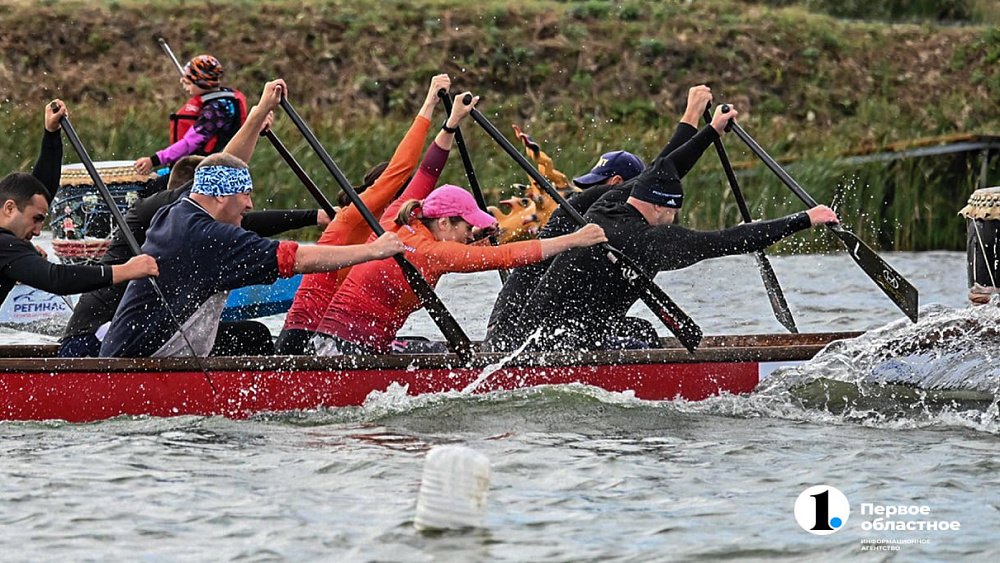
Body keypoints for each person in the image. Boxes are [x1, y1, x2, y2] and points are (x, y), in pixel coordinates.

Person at [484, 104, 840, 352]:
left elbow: (666, 164)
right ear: (660, 207)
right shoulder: (649, 241)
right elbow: (728, 240)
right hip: (550, 346)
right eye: (673, 213)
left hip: (526, 334)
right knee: (639, 334)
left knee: (634, 329)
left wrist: (712, 131)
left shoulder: (607, 203)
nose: (674, 221)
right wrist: (805, 219)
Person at [309, 93, 608, 356]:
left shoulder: (398, 217)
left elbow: (428, 171)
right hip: (342, 354)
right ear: (444, 222)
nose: (469, 234)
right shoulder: (431, 252)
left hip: (336, 343)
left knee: (437, 347)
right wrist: (574, 240)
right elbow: (504, 257)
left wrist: (451, 123)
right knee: (445, 352)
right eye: (467, 227)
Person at [59, 82, 330, 357]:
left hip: (146, 333)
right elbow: (231, 173)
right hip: (94, 338)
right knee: (253, 336)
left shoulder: (196, 220)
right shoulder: (169, 210)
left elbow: (233, 193)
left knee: (250, 334)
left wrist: (258, 118)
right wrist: (258, 114)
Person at [485, 85, 715, 346]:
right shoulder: (585, 206)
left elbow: (663, 170)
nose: (588, 191)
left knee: (641, 331)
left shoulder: (618, 222)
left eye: (596, 183)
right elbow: (667, 167)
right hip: (514, 338)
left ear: (617, 181)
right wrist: (692, 115)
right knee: (640, 337)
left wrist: (695, 119)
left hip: (516, 334)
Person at [276, 73, 452, 355]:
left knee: (428, 346)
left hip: (338, 340)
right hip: (306, 342)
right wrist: (431, 102)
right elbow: (402, 169)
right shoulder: (353, 218)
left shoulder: (385, 232)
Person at [2, 101, 159, 307]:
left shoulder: (8, 242)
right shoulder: (5, 245)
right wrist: (124, 270)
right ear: (9, 208)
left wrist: (51, 135)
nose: (39, 232)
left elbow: (37, 192)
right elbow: (56, 279)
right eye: (36, 219)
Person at [134, 54, 247, 175]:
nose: (183, 85)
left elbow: (190, 143)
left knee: (149, 189)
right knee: (157, 177)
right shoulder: (221, 101)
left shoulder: (216, 110)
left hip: (208, 172)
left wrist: (154, 160)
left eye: (188, 83)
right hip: (200, 166)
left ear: (202, 83)